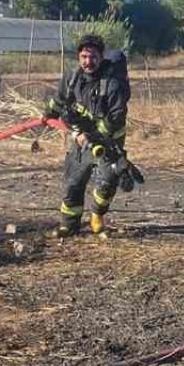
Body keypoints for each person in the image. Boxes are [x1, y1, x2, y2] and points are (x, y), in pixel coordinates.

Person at [43, 34, 129, 238]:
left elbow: (116, 117)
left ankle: (97, 216)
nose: (88, 62)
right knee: (74, 180)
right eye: (84, 56)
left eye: (93, 57)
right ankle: (69, 224)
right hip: (81, 138)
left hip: (108, 140)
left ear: (101, 57)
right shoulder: (72, 78)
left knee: (107, 181)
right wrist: (48, 114)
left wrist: (93, 137)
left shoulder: (111, 84)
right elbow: (59, 100)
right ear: (78, 56)